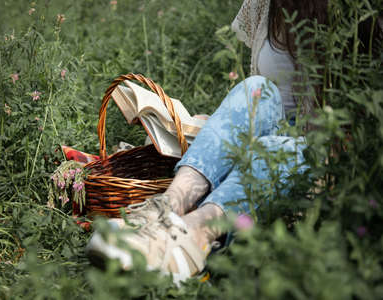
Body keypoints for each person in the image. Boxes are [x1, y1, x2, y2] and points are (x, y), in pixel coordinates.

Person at [86, 0, 380, 283]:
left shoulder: (361, 9)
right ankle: (165, 209)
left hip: (328, 151)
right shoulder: (266, 4)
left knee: (281, 149)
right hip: (274, 132)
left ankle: (195, 234)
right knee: (255, 88)